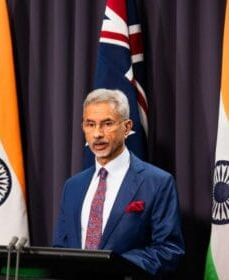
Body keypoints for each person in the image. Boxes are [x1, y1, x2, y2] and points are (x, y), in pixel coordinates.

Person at [53, 88, 185, 277]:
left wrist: (113, 268)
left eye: (107, 124)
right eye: (90, 124)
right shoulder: (73, 186)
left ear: (127, 127)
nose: (97, 134)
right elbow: (60, 247)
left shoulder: (157, 183)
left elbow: (168, 250)